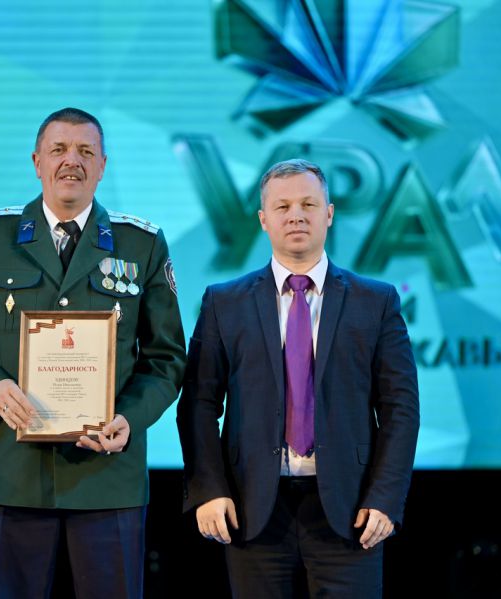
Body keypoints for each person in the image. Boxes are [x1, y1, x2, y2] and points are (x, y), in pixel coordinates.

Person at [0, 107, 186, 598]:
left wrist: (129, 418)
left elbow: (166, 357)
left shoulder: (142, 244)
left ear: (103, 166)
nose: (72, 161)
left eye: (86, 151)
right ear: (37, 162)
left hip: (108, 476)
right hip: (11, 475)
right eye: (59, 150)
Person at [177, 159, 419, 598]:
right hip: (251, 508)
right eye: (283, 206)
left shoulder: (376, 302)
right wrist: (208, 489)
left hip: (351, 510)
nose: (296, 216)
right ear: (263, 219)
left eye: (308, 204)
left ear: (329, 214)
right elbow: (198, 404)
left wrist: (385, 498)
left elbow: (401, 409)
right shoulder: (223, 303)